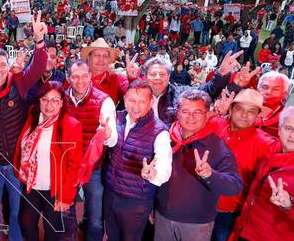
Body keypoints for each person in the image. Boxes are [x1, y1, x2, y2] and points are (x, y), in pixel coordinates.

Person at [0, 11, 48, 241]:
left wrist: (39, 41)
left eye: (3, 64)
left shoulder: (17, 84)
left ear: (8, 65)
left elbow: (38, 67)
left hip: (15, 165)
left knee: (16, 212)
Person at [155, 90, 243, 241]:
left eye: (197, 112)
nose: (190, 117)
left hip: (197, 225)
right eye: (185, 111)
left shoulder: (217, 146)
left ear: (207, 114)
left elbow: (235, 185)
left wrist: (210, 175)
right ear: (177, 113)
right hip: (162, 217)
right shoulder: (165, 137)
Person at [103, 80, 172, 241]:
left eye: (142, 101)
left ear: (151, 102)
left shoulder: (159, 131)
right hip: (111, 193)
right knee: (112, 236)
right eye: (131, 100)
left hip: (135, 201)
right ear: (124, 99)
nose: (135, 106)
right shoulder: (117, 117)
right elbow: (111, 141)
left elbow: (165, 166)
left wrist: (153, 173)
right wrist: (105, 137)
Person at [15, 81, 83, 241]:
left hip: (55, 189)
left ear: (61, 103)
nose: (49, 105)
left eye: (55, 100)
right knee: (25, 223)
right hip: (31, 185)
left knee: (52, 231)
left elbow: (74, 166)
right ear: (39, 101)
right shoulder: (33, 117)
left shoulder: (71, 125)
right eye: (45, 99)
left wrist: (66, 196)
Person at [207, 89, 276, 241]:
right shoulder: (216, 123)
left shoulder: (266, 144)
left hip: (229, 213)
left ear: (258, 115)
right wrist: (214, 111)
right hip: (200, 204)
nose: (244, 115)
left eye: (251, 111)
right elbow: (190, 123)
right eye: (239, 109)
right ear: (230, 109)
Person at [63, 60, 117, 241]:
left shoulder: (104, 101)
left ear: (90, 76)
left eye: (85, 76)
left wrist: (107, 134)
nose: (80, 81)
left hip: (93, 169)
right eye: (75, 77)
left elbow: (113, 140)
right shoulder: (60, 99)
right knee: (65, 214)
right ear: (68, 78)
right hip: (68, 168)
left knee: (95, 219)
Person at [231, 106, 294, 240]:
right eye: (289, 128)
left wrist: (289, 205)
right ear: (279, 129)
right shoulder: (270, 148)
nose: (292, 136)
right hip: (245, 228)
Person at [140, 52, 242, 126]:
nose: (158, 77)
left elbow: (208, 90)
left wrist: (221, 73)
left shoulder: (180, 93)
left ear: (169, 76)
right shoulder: (137, 97)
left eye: (162, 74)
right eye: (153, 74)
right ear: (145, 77)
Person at [81, 38, 129, 105]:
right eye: (96, 55)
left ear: (109, 60)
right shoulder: (78, 78)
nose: (101, 59)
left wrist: (132, 79)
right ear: (89, 57)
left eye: (105, 56)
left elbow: (132, 93)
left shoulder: (116, 79)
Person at [256, 71, 290, 137]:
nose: (268, 92)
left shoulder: (288, 121)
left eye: (275, 89)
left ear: (284, 94)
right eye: (265, 87)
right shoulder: (244, 110)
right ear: (258, 89)